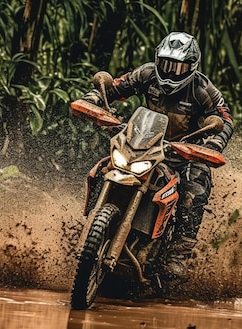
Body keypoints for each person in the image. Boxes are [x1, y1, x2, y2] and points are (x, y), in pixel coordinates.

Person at [79, 31, 234, 278]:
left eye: (178, 66)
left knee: (195, 190)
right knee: (103, 169)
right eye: (166, 64)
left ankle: (177, 255)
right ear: (157, 59)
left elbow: (224, 120)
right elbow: (117, 87)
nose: (171, 71)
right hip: (143, 143)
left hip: (183, 153)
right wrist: (96, 97)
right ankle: (88, 227)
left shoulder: (203, 90)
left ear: (191, 67)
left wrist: (214, 142)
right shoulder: (147, 73)